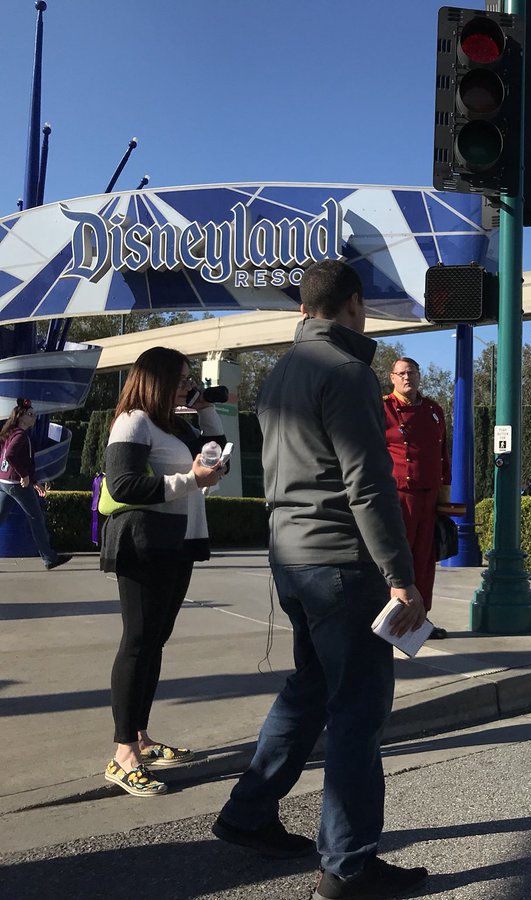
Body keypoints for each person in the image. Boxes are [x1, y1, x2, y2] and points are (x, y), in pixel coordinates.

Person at [213, 259, 429, 899]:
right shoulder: (348, 374)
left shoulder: (279, 373)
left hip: (291, 556)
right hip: (341, 560)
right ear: (355, 305)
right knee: (359, 708)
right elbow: (367, 483)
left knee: (309, 687)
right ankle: (348, 866)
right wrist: (401, 576)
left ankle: (249, 811)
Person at [101, 348, 225, 796]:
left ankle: (140, 736)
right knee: (137, 643)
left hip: (179, 539)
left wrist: (206, 408)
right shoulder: (133, 421)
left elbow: (213, 448)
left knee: (154, 641)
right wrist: (191, 480)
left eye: (189, 380)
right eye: (180, 379)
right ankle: (122, 754)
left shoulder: (175, 423)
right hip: (143, 542)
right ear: (156, 380)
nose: (186, 386)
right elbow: (123, 484)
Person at [384, 357, 452, 639]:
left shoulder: (434, 410)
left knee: (425, 562)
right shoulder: (383, 408)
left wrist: (444, 499)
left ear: (419, 375)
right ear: (392, 378)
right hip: (398, 496)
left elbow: (442, 456)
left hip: (429, 498)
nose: (407, 377)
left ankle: (421, 622)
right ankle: (391, 620)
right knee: (399, 561)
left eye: (411, 372)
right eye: (401, 373)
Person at [0, 398, 72, 570]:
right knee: (36, 518)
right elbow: (10, 455)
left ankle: (49, 557)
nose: (34, 417)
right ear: (21, 417)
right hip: (15, 483)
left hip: (4, 481)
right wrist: (24, 476)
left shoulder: (11, 432)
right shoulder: (20, 436)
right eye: (30, 414)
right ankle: (49, 558)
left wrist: (32, 481)